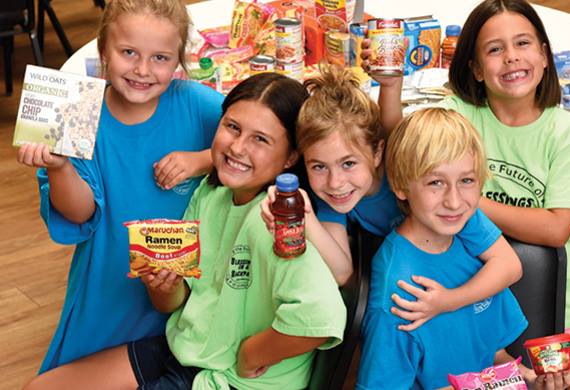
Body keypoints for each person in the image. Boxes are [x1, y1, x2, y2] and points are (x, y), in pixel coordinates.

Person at [23, 72, 346, 390]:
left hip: (229, 377)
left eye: (260, 139)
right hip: (187, 349)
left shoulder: (276, 220)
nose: (237, 147)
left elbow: (320, 318)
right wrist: (164, 287)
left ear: (291, 158)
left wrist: (251, 354)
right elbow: (175, 304)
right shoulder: (209, 193)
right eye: (232, 127)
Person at [366, 0, 570, 377]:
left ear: (545, 57)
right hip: (482, 294)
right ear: (476, 69)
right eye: (495, 49)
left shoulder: (564, 132)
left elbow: (556, 228)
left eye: (523, 44)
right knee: (495, 375)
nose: (511, 58)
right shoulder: (462, 113)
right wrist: (391, 88)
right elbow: (407, 145)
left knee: (544, 383)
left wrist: (470, 200)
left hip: (566, 300)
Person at [16, 0, 225, 372]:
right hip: (107, 286)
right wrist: (60, 166)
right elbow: (79, 213)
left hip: (187, 298)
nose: (143, 70)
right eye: (129, 52)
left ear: (178, 60)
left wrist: (203, 159)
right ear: (103, 51)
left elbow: (261, 145)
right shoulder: (78, 109)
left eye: (160, 58)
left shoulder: (198, 104)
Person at [262, 65, 522, 330]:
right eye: (319, 166)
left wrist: (450, 300)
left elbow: (510, 265)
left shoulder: (442, 197)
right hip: (414, 294)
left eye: (348, 163)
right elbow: (342, 272)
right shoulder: (334, 197)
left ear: (378, 154)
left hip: (472, 306)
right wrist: (306, 218)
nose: (335, 182)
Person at [356, 107, 570, 390]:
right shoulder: (400, 297)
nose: (455, 202)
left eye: (467, 181)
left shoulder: (468, 234)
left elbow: (493, 355)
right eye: (436, 182)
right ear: (400, 186)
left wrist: (532, 380)